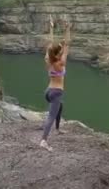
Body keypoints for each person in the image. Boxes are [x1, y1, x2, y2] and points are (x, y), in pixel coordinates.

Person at [40, 15, 71, 151]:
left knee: (60, 107)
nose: (62, 49)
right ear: (59, 53)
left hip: (48, 91)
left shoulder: (48, 58)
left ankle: (57, 129)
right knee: (51, 116)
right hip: (56, 92)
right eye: (60, 49)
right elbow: (67, 43)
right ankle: (43, 141)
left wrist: (51, 27)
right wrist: (67, 29)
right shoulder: (61, 62)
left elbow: (50, 43)